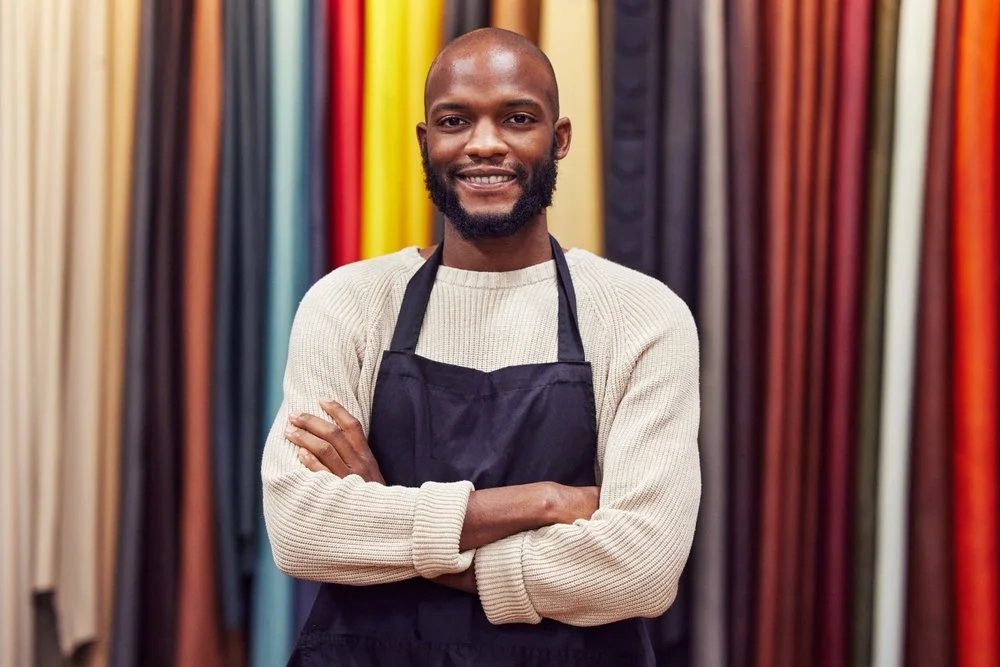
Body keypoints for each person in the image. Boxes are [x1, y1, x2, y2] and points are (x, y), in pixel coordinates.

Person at [262, 27, 701, 667]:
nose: (485, 143)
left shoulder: (641, 315)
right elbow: (302, 532)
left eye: (517, 118)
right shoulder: (349, 304)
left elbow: (641, 568)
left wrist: (388, 521)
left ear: (559, 139)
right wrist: (543, 502)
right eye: (455, 120)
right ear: (425, 142)